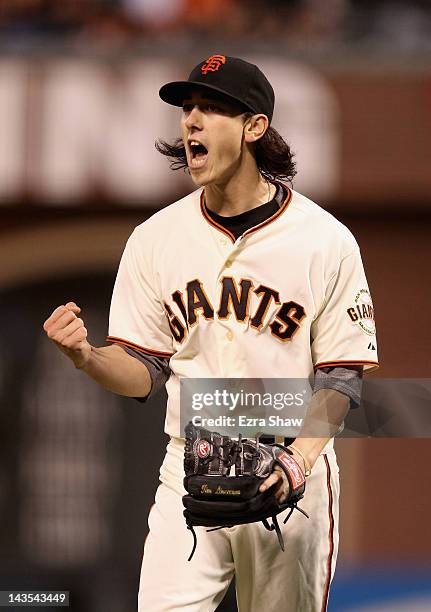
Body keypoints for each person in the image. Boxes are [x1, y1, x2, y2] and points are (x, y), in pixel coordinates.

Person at [43, 54, 379, 611]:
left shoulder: (325, 240)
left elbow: (341, 377)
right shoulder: (155, 238)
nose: (192, 120)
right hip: (190, 468)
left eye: (214, 108)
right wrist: (85, 356)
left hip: (290, 474)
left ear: (254, 127)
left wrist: (298, 462)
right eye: (188, 107)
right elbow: (142, 373)